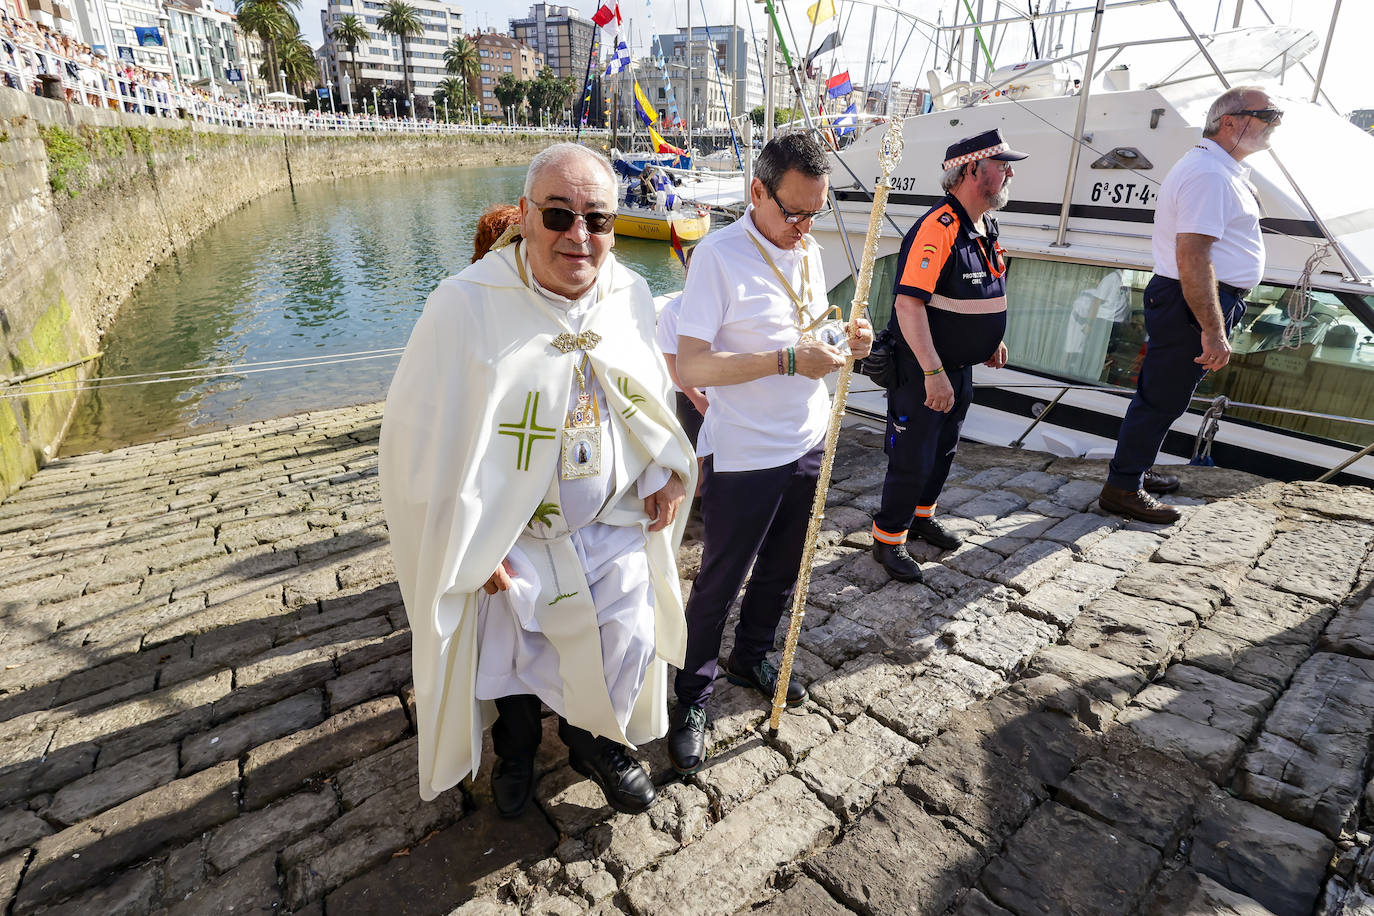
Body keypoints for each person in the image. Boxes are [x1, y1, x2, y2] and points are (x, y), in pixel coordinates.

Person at [380, 142, 696, 818]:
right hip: (509, 536)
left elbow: (656, 400)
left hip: (613, 521)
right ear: (525, 215)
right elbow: (420, 443)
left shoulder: (630, 294)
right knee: (511, 656)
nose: (579, 236)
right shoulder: (465, 307)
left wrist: (668, 470)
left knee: (625, 638)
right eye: (559, 214)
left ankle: (593, 740)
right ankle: (516, 749)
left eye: (598, 219)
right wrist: (468, 541)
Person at [667, 132, 873, 774]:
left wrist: (847, 339)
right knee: (720, 580)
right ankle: (691, 695)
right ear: (757, 192)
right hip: (745, 451)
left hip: (808, 439)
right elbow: (691, 363)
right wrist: (787, 360)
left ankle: (751, 652)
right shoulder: (719, 258)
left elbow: (811, 331)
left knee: (784, 567)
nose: (805, 226)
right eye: (793, 212)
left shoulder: (807, 252)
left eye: (815, 212)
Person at [1099, 86, 1280, 523]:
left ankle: (1133, 472)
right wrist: (1214, 330)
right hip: (1192, 299)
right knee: (1161, 398)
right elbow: (1193, 256)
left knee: (1165, 396)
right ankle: (1122, 487)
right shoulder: (1210, 174)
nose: (1275, 123)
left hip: (1193, 298)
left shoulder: (1220, 169)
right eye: (1268, 114)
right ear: (1231, 121)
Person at [870, 129, 1025, 582]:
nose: (1010, 172)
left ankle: (921, 517)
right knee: (912, 457)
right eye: (1002, 164)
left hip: (958, 368)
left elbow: (983, 289)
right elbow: (908, 303)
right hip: (924, 372)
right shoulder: (938, 228)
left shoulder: (984, 225)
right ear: (972, 170)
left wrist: (989, 340)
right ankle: (888, 538)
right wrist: (933, 373)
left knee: (944, 451)